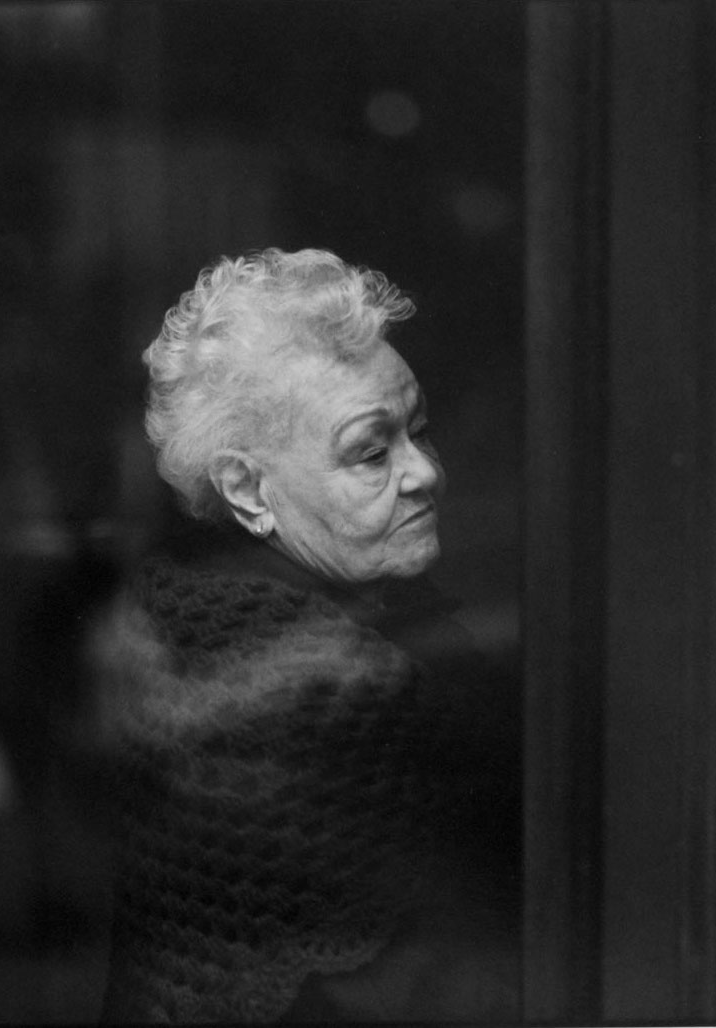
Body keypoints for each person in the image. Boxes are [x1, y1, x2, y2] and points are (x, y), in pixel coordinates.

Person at [88, 248, 519, 1023]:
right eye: (370, 451)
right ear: (248, 489)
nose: (424, 472)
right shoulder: (336, 696)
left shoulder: (188, 616)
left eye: (417, 430)